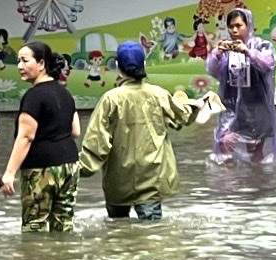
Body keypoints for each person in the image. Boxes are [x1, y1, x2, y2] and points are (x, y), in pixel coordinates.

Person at [78, 41, 197, 222]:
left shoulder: (110, 99)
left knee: (117, 235)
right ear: (144, 65)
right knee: (152, 238)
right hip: (152, 181)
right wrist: (193, 104)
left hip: (118, 182)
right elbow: (183, 117)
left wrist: (77, 171)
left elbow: (96, 144)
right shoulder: (159, 95)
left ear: (117, 67)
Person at [0, 41, 80, 232]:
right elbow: (76, 131)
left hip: (41, 169)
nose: (20, 66)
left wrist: (9, 173)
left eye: (25, 61)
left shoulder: (34, 96)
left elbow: (25, 137)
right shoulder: (65, 93)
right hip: (70, 166)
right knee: (64, 224)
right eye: (18, 61)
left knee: (34, 227)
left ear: (42, 64)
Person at [205, 7, 276, 165]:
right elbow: (212, 70)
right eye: (231, 26)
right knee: (225, 145)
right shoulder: (226, 49)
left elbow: (269, 64)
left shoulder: (261, 46)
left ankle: (256, 185)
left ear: (248, 25)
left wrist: (248, 52)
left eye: (238, 25)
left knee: (255, 152)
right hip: (232, 108)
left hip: (256, 108)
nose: (234, 30)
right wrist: (217, 55)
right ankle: (231, 187)